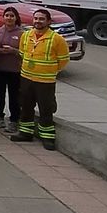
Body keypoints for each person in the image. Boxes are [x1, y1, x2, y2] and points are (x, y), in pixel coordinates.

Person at [11, 8, 70, 150]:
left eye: (41, 19)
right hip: (26, 78)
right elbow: (22, 53)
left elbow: (63, 60)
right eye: (36, 18)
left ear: (48, 21)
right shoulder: (26, 35)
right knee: (25, 106)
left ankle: (47, 137)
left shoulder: (57, 39)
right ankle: (25, 133)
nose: (38, 21)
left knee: (46, 109)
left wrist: (48, 71)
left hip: (45, 81)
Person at [0, 7, 23, 132]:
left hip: (15, 70)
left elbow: (26, 52)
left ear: (16, 18)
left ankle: (14, 120)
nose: (9, 18)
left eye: (12, 16)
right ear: (3, 17)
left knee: (14, 96)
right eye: (7, 15)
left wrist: (14, 51)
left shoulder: (22, 34)